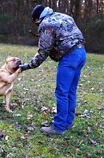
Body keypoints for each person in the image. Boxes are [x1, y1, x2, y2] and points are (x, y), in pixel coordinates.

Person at [19, 5, 86, 136]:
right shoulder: (63, 16)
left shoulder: (46, 24)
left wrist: (28, 66)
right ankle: (67, 123)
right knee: (70, 91)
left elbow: (43, 51)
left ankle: (59, 127)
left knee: (61, 92)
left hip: (69, 57)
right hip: (81, 53)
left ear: (37, 19)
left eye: (35, 22)